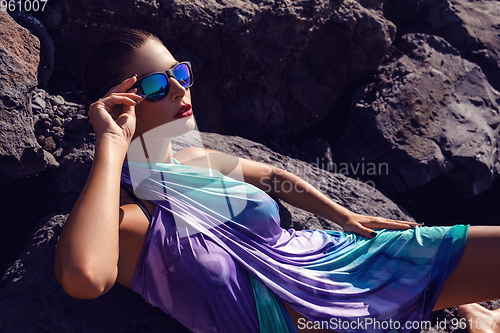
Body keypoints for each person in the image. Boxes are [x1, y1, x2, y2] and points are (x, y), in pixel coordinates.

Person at [53, 28, 500, 333]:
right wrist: (111, 144)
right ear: (118, 104)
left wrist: (345, 216)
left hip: (337, 264)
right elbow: (83, 278)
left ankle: (472, 307)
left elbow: (273, 175)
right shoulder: (137, 220)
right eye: (154, 85)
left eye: (180, 73)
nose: (179, 89)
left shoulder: (194, 159)